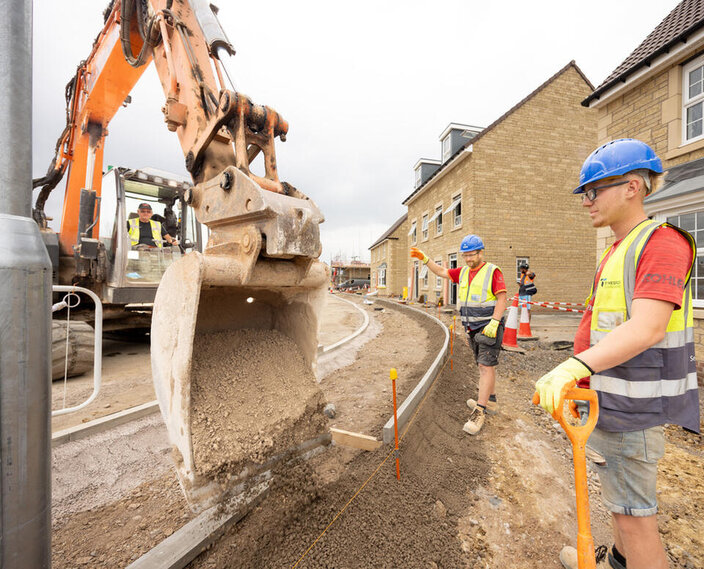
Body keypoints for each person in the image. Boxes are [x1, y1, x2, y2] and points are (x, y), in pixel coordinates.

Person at [534, 139, 700, 569]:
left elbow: (649, 326)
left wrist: (574, 366)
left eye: (594, 190)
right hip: (612, 401)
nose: (586, 202)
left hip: (633, 409)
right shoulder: (618, 248)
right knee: (621, 505)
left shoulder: (661, 243)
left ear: (632, 187)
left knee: (634, 520)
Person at [411, 234, 507, 435]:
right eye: (465, 256)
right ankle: (491, 401)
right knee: (484, 365)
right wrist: (425, 259)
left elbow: (502, 298)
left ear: (481, 252)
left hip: (489, 326)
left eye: (472, 255)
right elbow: (442, 271)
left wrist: (495, 322)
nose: (468, 259)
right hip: (472, 328)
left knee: (485, 365)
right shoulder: (463, 272)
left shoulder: (492, 271)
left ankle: (479, 411)